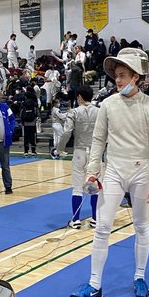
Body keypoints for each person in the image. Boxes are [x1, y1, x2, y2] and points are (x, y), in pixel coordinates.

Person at [70, 48, 149, 297]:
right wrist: (92, 173)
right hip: (113, 171)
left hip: (140, 173)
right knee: (102, 226)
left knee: (141, 226)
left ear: (137, 76)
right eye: (116, 75)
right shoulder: (108, 105)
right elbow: (98, 139)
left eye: (123, 75)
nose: (118, 80)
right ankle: (94, 286)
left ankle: (139, 277)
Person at [56, 85, 99, 229]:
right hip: (95, 153)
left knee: (77, 188)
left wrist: (59, 149)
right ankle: (95, 219)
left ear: (79, 97)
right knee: (94, 186)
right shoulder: (100, 112)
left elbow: (67, 132)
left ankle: (76, 220)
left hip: (80, 152)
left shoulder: (73, 112)